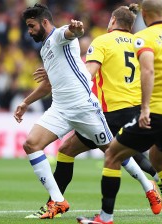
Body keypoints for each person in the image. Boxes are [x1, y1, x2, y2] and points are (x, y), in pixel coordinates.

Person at [25, 3, 162, 219]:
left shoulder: (102, 41)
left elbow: (86, 66)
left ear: (113, 22)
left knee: (113, 152)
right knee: (79, 150)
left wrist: (74, 46)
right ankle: (58, 201)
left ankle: (140, 192)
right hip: (138, 105)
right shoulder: (140, 39)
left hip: (105, 109)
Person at [77, 0, 162, 223]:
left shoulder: (143, 37)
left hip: (156, 111)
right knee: (158, 160)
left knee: (112, 155)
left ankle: (105, 218)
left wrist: (145, 107)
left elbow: (147, 70)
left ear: (143, 14)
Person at [15, 3, 115, 219]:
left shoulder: (59, 34)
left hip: (83, 105)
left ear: (44, 22)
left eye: (31, 26)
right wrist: (26, 103)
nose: (29, 31)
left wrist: (77, 29)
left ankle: (149, 182)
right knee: (31, 144)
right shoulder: (45, 49)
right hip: (61, 108)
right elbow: (48, 85)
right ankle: (58, 201)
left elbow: (72, 33)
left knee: (114, 151)